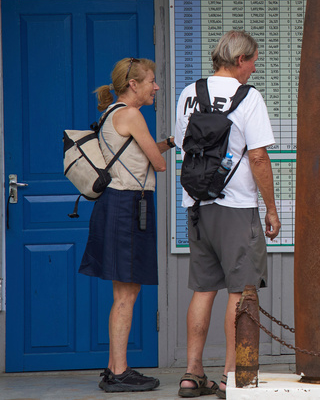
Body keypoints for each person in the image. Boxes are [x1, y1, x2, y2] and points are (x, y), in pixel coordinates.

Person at [174, 30, 280, 398]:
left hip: (197, 205)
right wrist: (271, 206)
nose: (254, 68)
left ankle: (191, 374)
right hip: (236, 207)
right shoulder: (248, 97)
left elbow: (182, 145)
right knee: (241, 291)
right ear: (239, 60)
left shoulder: (189, 93)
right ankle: (231, 376)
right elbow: (258, 157)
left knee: (203, 289)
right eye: (253, 61)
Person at [80, 57, 175, 392]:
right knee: (126, 294)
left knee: (124, 291)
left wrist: (172, 142)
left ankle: (113, 366)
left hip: (115, 205)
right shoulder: (132, 115)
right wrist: (167, 151)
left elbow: (139, 153)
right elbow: (158, 164)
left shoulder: (112, 114)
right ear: (133, 84)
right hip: (128, 206)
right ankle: (119, 372)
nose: (156, 86)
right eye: (151, 80)